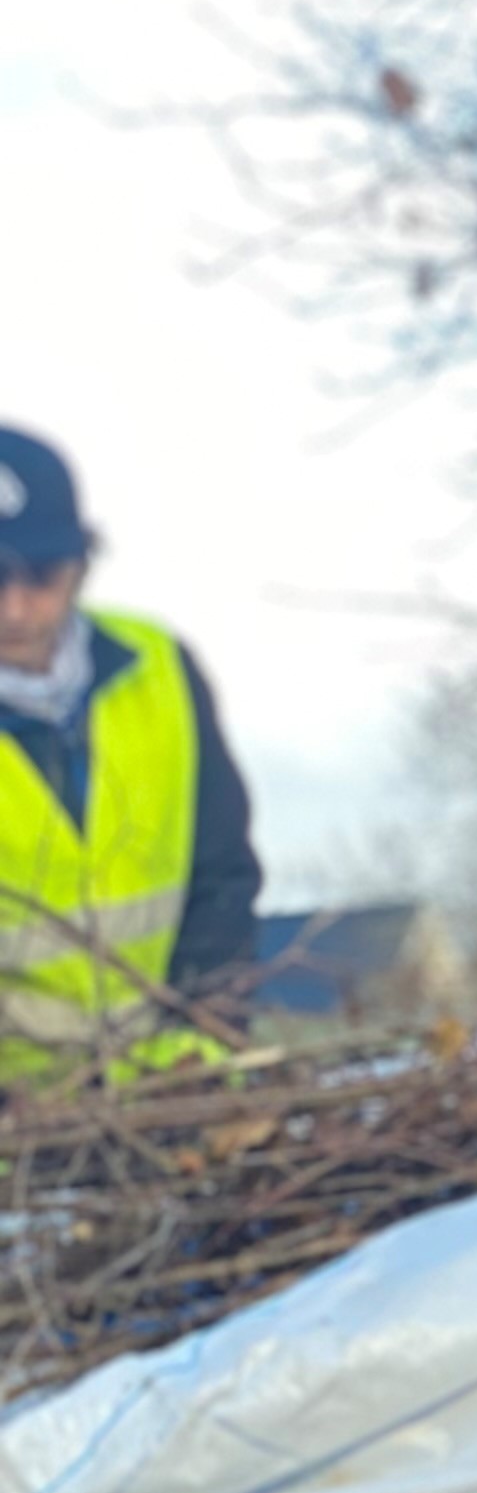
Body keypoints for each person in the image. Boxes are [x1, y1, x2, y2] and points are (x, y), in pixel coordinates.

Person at [0, 427, 262, 1075]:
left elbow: (219, 875)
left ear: (81, 567)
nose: (14, 608)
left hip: (173, 1083)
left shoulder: (159, 666)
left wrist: (202, 1040)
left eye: (40, 576)